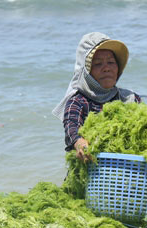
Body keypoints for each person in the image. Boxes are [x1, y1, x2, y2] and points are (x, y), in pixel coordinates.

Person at [52, 32, 141, 163]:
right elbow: (72, 126)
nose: (106, 68)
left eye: (111, 62)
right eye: (98, 64)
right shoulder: (78, 101)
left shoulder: (130, 99)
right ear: (87, 71)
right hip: (91, 172)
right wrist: (79, 142)